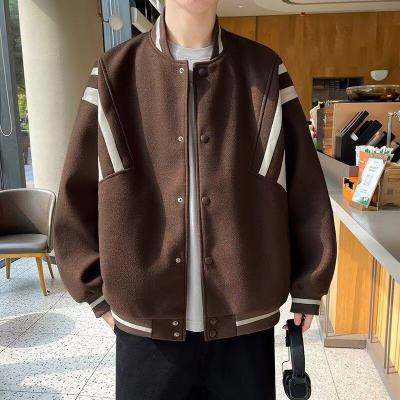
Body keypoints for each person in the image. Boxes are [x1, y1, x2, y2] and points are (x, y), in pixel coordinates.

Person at [53, 1, 337, 399]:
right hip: (147, 330)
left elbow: (305, 186)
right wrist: (94, 292)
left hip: (245, 323)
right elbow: (77, 192)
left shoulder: (263, 69)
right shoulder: (115, 72)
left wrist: (309, 284)